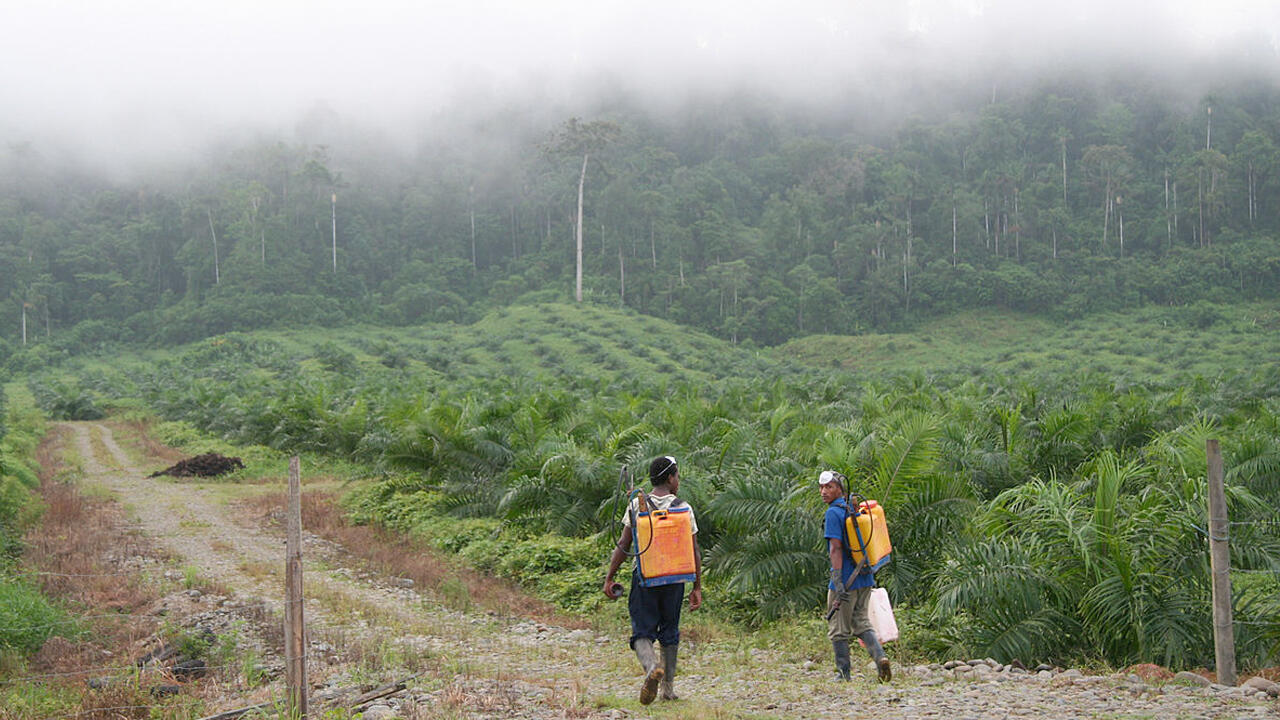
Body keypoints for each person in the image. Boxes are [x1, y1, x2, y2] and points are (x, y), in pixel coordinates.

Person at [602, 455, 703, 704]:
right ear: (670, 478)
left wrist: (610, 577)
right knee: (670, 632)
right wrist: (697, 586)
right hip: (675, 579)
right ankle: (668, 689)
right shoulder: (684, 507)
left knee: (642, 632)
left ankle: (650, 668)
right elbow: (695, 550)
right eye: (677, 475)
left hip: (645, 577)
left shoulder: (637, 505)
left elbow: (624, 544)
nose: (678, 480)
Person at [819, 469, 891, 682]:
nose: (824, 492)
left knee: (838, 629)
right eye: (822, 487)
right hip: (865, 578)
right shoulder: (853, 508)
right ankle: (880, 659)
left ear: (839, 489)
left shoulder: (833, 512)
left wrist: (838, 581)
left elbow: (836, 549)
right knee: (861, 622)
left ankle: (843, 674)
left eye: (829, 487)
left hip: (846, 580)